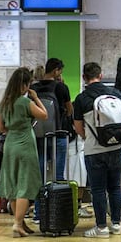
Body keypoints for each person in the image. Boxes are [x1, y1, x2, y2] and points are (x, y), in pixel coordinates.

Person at [73, 62, 121, 238]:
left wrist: (90, 137)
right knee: (115, 187)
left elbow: (78, 128)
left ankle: (101, 228)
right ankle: (116, 224)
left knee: (98, 189)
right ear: (100, 75)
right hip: (116, 147)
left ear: (84, 77)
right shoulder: (116, 94)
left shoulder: (82, 98)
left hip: (94, 150)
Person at [0, 67, 47, 237]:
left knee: (12, 182)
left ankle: (21, 223)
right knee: (25, 184)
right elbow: (44, 115)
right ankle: (17, 224)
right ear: (25, 85)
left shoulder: (5, 103)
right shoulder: (25, 102)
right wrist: (36, 98)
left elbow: (1, 128)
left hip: (10, 145)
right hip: (25, 144)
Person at [31, 58, 73, 224]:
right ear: (56, 71)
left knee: (40, 176)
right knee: (58, 175)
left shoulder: (33, 88)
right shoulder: (61, 87)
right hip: (59, 135)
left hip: (39, 136)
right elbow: (70, 111)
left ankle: (39, 213)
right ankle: (58, 212)